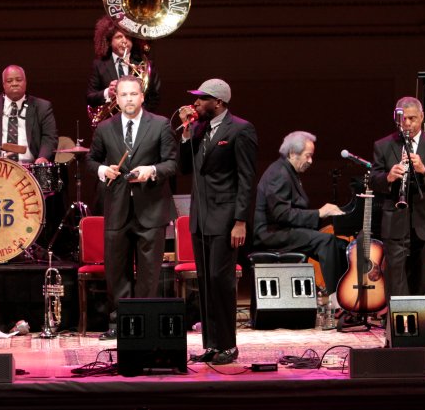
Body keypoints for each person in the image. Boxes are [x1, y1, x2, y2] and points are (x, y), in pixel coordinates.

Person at [86, 75, 177, 340]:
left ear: (142, 97)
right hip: (117, 207)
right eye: (123, 95)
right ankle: (120, 322)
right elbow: (91, 161)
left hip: (152, 208)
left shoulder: (160, 125)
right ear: (116, 99)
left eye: (133, 95)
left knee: (150, 271)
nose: (128, 99)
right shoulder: (104, 128)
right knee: (116, 269)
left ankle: (145, 320)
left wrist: (151, 170)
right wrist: (104, 169)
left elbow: (171, 163)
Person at [178, 78, 257, 365]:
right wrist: (186, 134)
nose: (195, 103)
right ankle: (211, 344)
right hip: (201, 218)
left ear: (219, 102)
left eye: (202, 98)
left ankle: (228, 345)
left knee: (219, 280)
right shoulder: (199, 130)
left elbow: (246, 179)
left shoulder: (240, 129)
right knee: (204, 282)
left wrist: (240, 221)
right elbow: (184, 168)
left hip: (225, 219)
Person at [371, 96, 425, 299]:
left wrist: (424, 169)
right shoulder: (383, 145)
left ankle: (421, 325)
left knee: (424, 279)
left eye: (412, 118)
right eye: (403, 119)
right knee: (395, 278)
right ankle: (398, 326)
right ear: (396, 118)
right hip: (395, 220)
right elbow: (374, 179)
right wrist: (388, 177)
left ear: (422, 117)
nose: (407, 124)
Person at [253, 131, 348, 295]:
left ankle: (346, 293)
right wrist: (319, 213)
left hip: (282, 230)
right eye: (308, 156)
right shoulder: (279, 173)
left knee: (341, 246)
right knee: (326, 241)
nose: (311, 161)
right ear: (292, 153)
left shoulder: (288, 171)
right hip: (271, 233)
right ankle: (336, 297)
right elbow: (281, 215)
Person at [0, 64, 58, 163]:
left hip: (31, 167)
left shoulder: (42, 106)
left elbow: (49, 137)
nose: (14, 84)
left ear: (25, 82)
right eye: (9, 81)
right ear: (3, 84)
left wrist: (43, 157)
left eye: (18, 80)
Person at [86, 16, 161, 118]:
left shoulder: (145, 64)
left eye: (128, 36)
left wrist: (137, 115)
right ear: (109, 41)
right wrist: (108, 92)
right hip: (111, 124)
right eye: (119, 37)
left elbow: (155, 97)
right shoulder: (99, 65)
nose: (124, 41)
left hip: (140, 121)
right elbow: (89, 97)